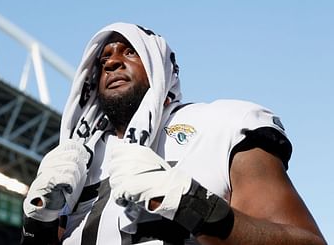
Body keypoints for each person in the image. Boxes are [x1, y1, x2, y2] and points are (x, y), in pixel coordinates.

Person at [20, 23, 326, 245]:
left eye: (130, 52)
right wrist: (38, 226)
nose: (112, 62)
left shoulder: (220, 124)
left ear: (160, 68)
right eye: (103, 61)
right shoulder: (73, 164)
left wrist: (190, 204)